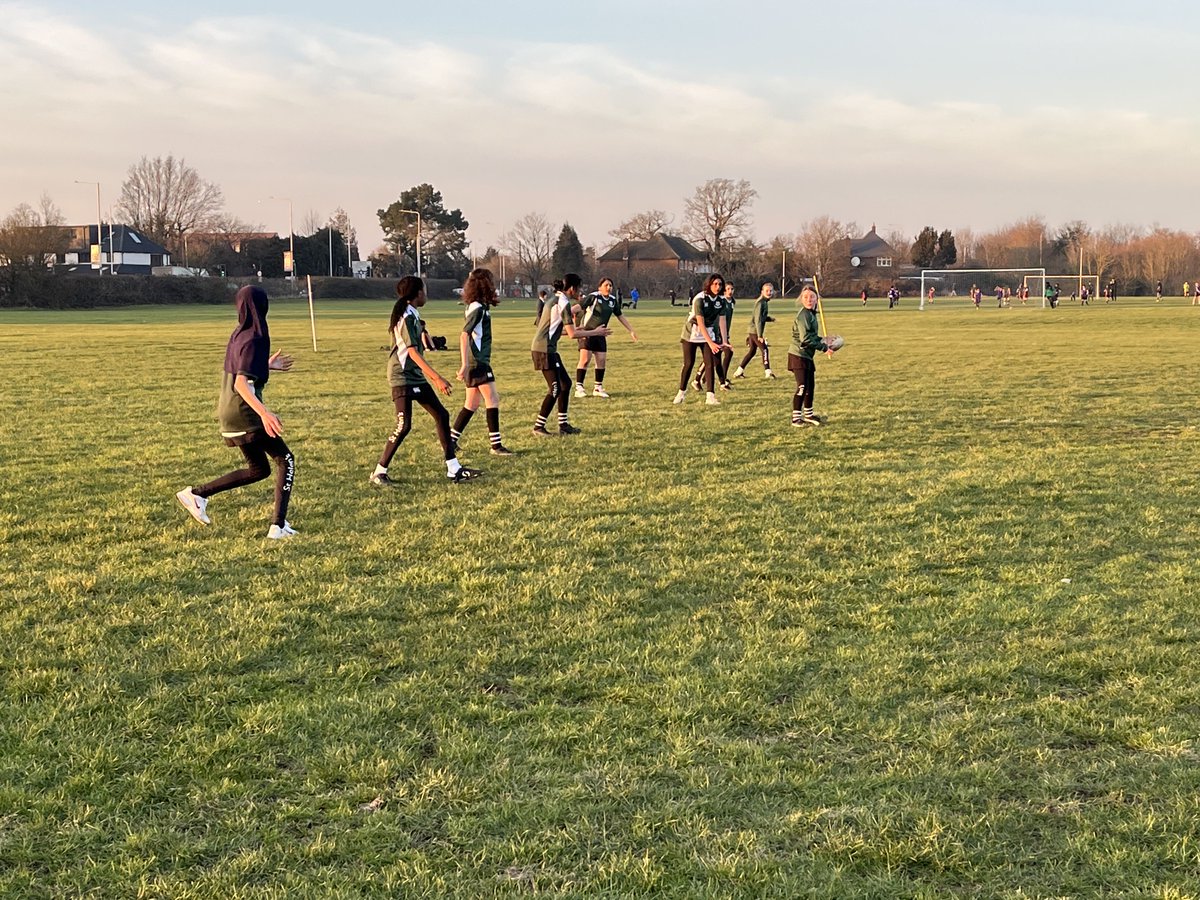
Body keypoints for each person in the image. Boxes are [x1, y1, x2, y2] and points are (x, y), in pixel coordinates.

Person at [176, 285, 298, 540]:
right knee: (285, 460)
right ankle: (278, 526)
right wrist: (264, 413)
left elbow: (241, 370)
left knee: (258, 470)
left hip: (228, 412)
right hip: (245, 412)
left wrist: (265, 366)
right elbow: (241, 384)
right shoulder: (256, 338)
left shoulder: (239, 335)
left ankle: (197, 494)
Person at [370, 276, 481, 486]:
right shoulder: (407, 316)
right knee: (404, 425)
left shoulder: (412, 313)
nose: (426, 294)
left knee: (441, 415)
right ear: (417, 293)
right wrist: (437, 378)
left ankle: (453, 469)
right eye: (424, 290)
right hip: (402, 376)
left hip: (415, 376)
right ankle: (379, 471)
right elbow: (412, 352)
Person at [532, 273, 610, 436]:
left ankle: (563, 425)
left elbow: (558, 330)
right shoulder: (563, 302)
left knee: (565, 384)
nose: (580, 292)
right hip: (544, 350)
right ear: (572, 288)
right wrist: (595, 332)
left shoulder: (555, 299)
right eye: (579, 288)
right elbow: (573, 335)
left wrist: (580, 329)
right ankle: (538, 427)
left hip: (548, 348)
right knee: (555, 389)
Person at [449, 267, 513, 457]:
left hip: (476, 361)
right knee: (492, 399)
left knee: (471, 403)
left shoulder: (479, 306)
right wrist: (465, 364)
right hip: (478, 362)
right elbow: (464, 335)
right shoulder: (477, 308)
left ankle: (450, 441)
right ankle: (496, 446)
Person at [572, 277, 638, 399]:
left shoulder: (612, 300)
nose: (609, 287)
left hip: (601, 334)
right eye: (606, 285)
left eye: (610, 285)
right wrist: (566, 313)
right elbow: (578, 307)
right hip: (587, 333)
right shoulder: (594, 297)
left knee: (601, 360)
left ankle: (598, 388)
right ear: (600, 287)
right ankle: (579, 388)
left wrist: (631, 330)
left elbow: (620, 315)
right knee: (585, 360)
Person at [673, 273, 730, 406]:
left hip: (708, 332)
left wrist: (724, 340)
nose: (717, 287)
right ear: (709, 285)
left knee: (710, 364)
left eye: (720, 284)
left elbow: (722, 320)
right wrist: (711, 343)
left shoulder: (721, 300)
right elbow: (700, 322)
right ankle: (681, 393)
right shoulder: (700, 299)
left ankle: (710, 396)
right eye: (715, 284)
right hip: (692, 333)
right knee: (689, 364)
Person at [788, 286, 834, 426]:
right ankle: (796, 417)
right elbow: (805, 339)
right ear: (801, 299)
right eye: (806, 297)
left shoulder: (811, 314)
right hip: (798, 355)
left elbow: (812, 336)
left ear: (816, 299)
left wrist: (823, 340)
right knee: (802, 386)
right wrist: (823, 348)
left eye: (812, 297)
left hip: (806, 356)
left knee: (810, 387)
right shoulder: (804, 315)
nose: (809, 299)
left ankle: (808, 415)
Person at [734, 281, 776, 379]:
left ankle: (738, 372)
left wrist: (769, 319)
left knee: (752, 352)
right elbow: (758, 320)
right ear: (762, 291)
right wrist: (760, 335)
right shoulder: (761, 303)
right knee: (764, 349)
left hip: (753, 330)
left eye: (770, 291)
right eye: (767, 291)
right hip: (755, 331)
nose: (769, 292)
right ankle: (768, 372)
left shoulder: (764, 302)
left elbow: (761, 317)